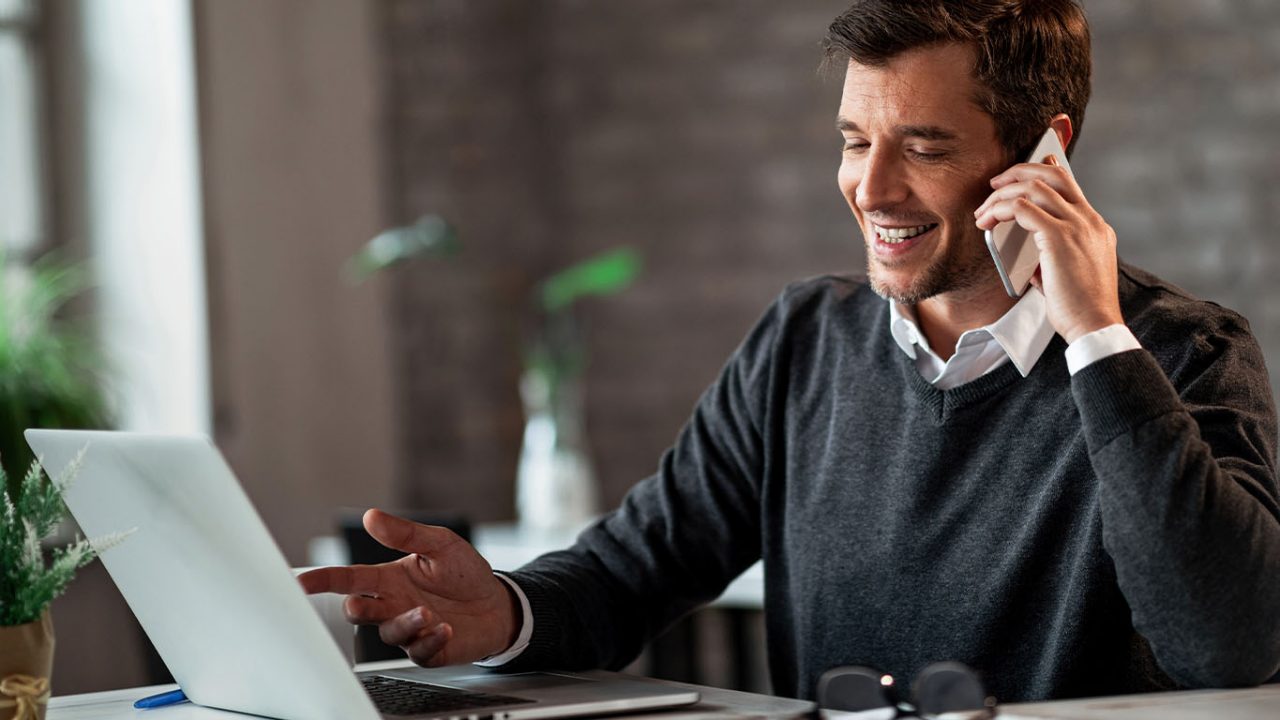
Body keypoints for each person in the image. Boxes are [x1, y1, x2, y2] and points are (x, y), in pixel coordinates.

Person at [300, 0, 1280, 703]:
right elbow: (637, 568)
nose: (871, 188)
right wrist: (503, 610)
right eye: (855, 140)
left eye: (924, 146)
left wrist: (1096, 336)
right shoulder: (802, 342)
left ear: (1041, 155)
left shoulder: (1180, 353)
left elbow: (1228, 648)